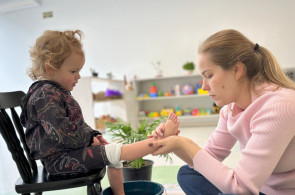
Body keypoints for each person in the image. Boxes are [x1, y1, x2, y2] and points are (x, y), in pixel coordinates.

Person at [20, 30, 180, 195]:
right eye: (73, 71)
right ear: (50, 68)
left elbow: (77, 125)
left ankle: (120, 193)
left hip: (67, 155)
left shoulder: (55, 91)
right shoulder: (45, 94)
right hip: (60, 162)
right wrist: (89, 139)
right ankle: (159, 141)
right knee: (116, 151)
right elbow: (63, 133)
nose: (79, 76)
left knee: (113, 153)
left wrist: (94, 135)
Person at [149, 29, 295, 195]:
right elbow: (209, 157)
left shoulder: (280, 105)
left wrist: (184, 144)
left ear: (237, 70)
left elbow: (242, 189)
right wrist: (174, 142)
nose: (204, 86)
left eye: (209, 75)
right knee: (188, 173)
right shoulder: (230, 109)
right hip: (258, 187)